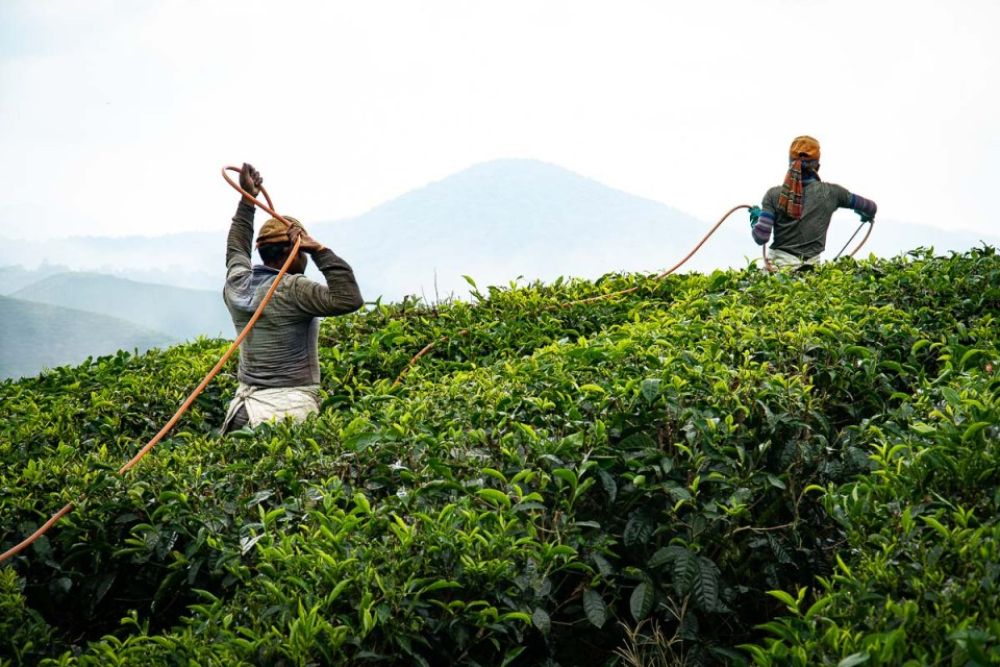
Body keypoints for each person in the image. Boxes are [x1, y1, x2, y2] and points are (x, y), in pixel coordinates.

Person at [221, 163, 363, 433]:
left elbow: (236, 249)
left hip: (241, 412)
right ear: (297, 251)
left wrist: (247, 200)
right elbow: (349, 298)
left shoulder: (236, 283)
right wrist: (320, 250)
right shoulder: (294, 290)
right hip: (286, 413)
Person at [752, 136, 877, 268]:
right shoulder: (833, 193)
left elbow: (761, 237)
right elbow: (871, 207)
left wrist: (757, 219)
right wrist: (863, 214)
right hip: (812, 273)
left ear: (790, 163)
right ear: (817, 165)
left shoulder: (773, 195)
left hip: (778, 272)